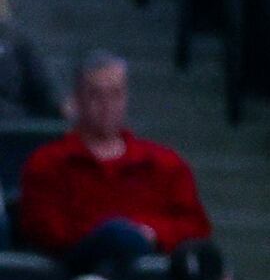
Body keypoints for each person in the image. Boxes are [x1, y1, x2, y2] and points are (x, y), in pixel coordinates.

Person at [15, 53, 211, 267]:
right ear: (77, 100)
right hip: (75, 276)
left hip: (151, 278)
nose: (107, 105)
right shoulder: (48, 162)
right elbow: (43, 230)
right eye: (96, 95)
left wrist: (151, 233)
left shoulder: (165, 163)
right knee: (117, 235)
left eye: (115, 94)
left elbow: (196, 227)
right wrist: (107, 234)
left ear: (126, 97)